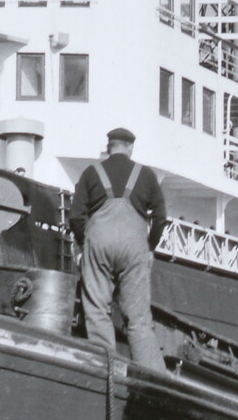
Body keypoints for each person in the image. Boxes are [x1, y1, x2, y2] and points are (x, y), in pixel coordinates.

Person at [69, 127, 168, 372]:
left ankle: (106, 371)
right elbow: (160, 217)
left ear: (109, 146)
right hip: (134, 247)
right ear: (131, 147)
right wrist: (150, 248)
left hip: (98, 243)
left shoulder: (92, 173)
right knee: (138, 320)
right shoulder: (146, 175)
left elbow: (76, 216)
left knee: (98, 310)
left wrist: (85, 244)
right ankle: (153, 378)